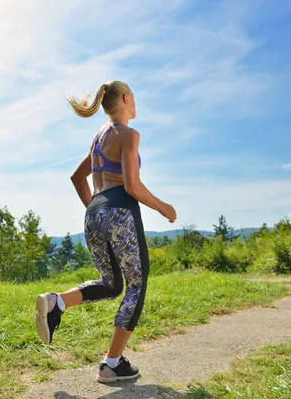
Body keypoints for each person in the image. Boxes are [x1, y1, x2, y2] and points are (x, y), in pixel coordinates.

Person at [35, 81, 177, 383]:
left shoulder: (98, 138)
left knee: (112, 284)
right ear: (126, 99)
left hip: (93, 214)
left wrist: (98, 211)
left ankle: (55, 302)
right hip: (120, 210)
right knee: (136, 285)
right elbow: (132, 186)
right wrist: (165, 208)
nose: (135, 103)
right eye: (134, 98)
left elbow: (77, 177)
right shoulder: (128, 135)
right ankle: (111, 364)